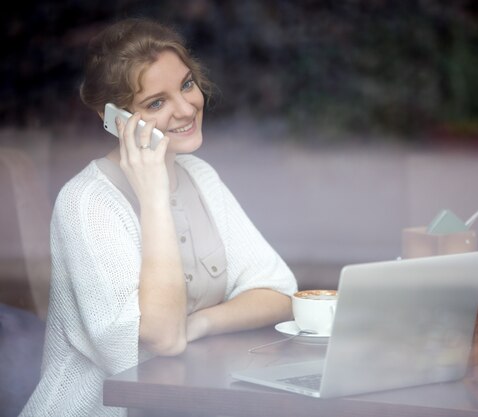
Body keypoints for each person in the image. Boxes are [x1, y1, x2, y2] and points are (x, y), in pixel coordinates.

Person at [20, 17, 297, 417]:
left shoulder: (200, 177)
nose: (187, 108)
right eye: (156, 102)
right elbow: (162, 340)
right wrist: (152, 197)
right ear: (115, 118)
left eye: (186, 84)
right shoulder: (86, 203)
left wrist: (199, 324)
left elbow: (281, 292)